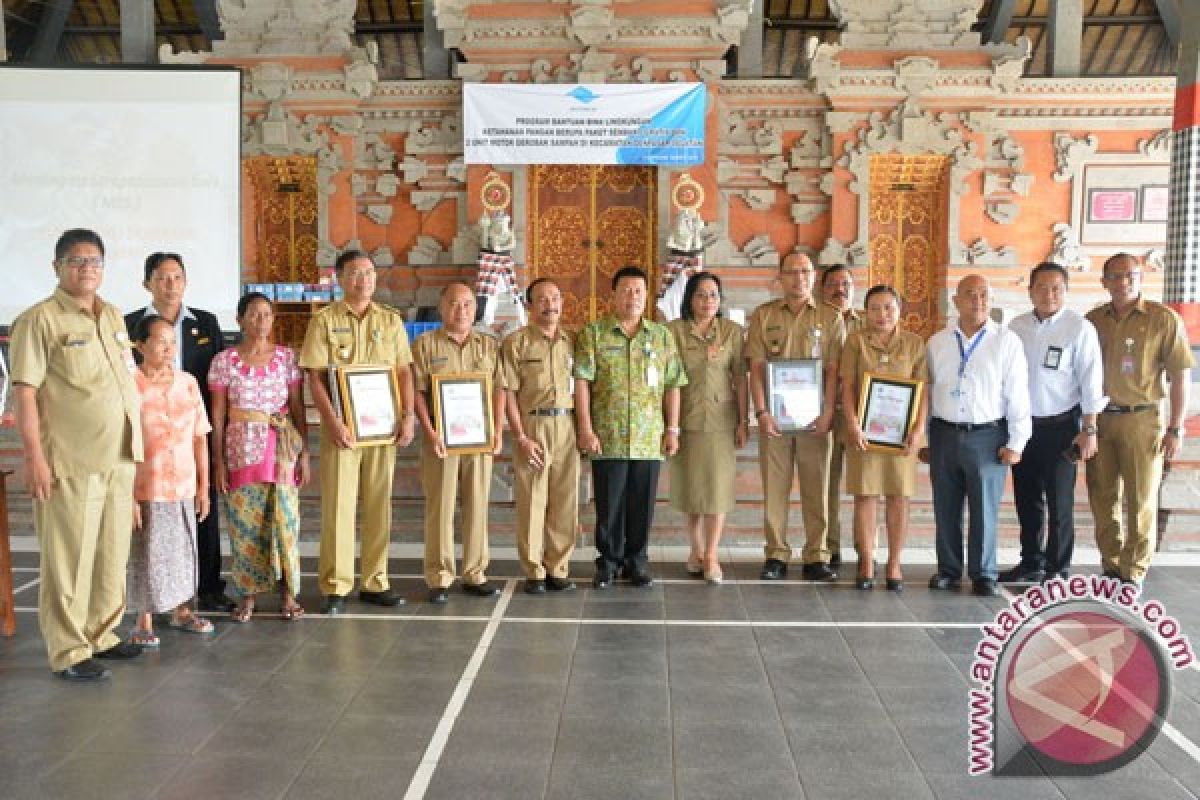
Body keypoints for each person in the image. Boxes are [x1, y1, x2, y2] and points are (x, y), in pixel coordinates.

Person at [10, 228, 144, 681]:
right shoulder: (39, 320)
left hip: (118, 458)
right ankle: (68, 650)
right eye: (76, 261)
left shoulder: (114, 318)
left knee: (110, 555)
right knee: (68, 559)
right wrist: (34, 458)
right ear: (57, 267)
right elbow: (25, 394)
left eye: (94, 261)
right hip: (70, 461)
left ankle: (101, 634)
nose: (87, 268)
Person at [299, 249, 416, 614]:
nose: (362, 280)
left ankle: (375, 581)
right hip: (342, 429)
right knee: (339, 505)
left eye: (368, 273)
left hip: (383, 429)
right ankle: (336, 586)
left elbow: (403, 372)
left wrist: (409, 415)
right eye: (353, 273)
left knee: (380, 505)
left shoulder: (391, 321)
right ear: (339, 278)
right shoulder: (324, 322)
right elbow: (315, 376)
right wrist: (332, 421)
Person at [126, 253, 230, 613]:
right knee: (151, 529)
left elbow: (219, 378)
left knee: (201, 513)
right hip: (148, 433)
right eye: (162, 277)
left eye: (177, 277)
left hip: (192, 429)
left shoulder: (206, 323)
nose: (171, 284)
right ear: (147, 283)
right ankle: (152, 606)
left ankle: (208, 588)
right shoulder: (128, 326)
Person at [575, 265, 686, 589]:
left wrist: (673, 429)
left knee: (642, 504)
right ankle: (608, 563)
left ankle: (637, 561)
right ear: (613, 295)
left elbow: (673, 384)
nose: (632, 297)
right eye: (625, 290)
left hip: (649, 436)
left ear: (647, 296)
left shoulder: (661, 336)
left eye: (638, 291)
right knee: (609, 506)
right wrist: (585, 428)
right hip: (606, 434)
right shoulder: (593, 334)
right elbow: (582, 382)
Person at [1085, 253, 1193, 584]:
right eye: (1115, 276)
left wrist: (1176, 427)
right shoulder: (1092, 321)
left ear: (1141, 277)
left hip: (1142, 420)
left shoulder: (1163, 319)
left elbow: (1180, 376)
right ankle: (1112, 564)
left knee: (1140, 498)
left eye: (1130, 275)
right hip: (1100, 420)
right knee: (1103, 497)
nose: (1123, 282)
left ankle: (1133, 572)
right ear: (1104, 282)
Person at [925, 275, 1030, 597]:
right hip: (944, 434)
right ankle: (949, 570)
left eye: (984, 294)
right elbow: (927, 392)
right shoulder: (937, 342)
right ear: (956, 300)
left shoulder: (1006, 341)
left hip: (988, 436)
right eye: (970, 294)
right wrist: (925, 439)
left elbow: (1018, 394)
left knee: (985, 509)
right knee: (946, 508)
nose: (978, 300)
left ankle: (984, 572)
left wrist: (1017, 442)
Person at [1001, 263, 1106, 584]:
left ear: (1066, 291)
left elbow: (1092, 382)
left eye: (1057, 288)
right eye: (1042, 288)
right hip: (1023, 428)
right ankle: (1030, 560)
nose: (1049, 294)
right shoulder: (1016, 327)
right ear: (1030, 290)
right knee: (1027, 499)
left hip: (1062, 428)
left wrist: (1089, 429)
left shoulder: (1079, 328)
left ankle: (1057, 569)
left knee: (1060, 503)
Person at [210, 293, 310, 622]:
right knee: (245, 527)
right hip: (240, 453)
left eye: (266, 315)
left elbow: (296, 408)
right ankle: (248, 598)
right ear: (239, 320)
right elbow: (219, 415)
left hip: (280, 451)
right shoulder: (224, 361)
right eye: (253, 315)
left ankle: (288, 596)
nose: (261, 321)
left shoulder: (286, 358)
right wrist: (218, 462)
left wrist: (305, 452)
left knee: (284, 525)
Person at [745, 253, 845, 581]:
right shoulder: (764, 316)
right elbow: (756, 369)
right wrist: (761, 412)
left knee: (818, 486)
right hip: (775, 419)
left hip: (816, 421)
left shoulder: (831, 319)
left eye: (804, 272)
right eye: (791, 272)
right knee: (775, 487)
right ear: (780, 277)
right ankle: (776, 553)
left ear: (813, 276)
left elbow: (834, 372)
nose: (798, 278)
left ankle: (817, 554)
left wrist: (829, 412)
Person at [413, 283, 504, 603]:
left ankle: (475, 573)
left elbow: (499, 390)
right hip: (441, 441)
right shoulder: (424, 345)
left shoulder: (489, 346)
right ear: (441, 307)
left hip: (479, 440)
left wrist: (498, 432)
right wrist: (430, 431)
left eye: (467, 303)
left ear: (475, 308)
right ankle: (439, 577)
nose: (461, 309)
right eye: (454, 303)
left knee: (477, 505)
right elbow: (418, 393)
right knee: (441, 507)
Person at [127, 316, 214, 646]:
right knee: (146, 552)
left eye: (171, 342)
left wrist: (203, 486)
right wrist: (129, 496)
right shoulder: (130, 384)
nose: (168, 349)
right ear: (141, 346)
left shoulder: (188, 383)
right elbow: (122, 443)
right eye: (160, 342)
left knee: (182, 550)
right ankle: (143, 617)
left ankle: (181, 610)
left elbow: (199, 438)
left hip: (184, 483)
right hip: (145, 483)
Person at [839, 285, 927, 591]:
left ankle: (894, 562)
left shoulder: (915, 343)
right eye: (874, 308)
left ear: (899, 311)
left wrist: (918, 429)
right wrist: (852, 423)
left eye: (888, 307)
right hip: (864, 434)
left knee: (898, 497)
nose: (882, 314)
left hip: (901, 436)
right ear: (865, 311)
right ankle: (866, 560)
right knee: (865, 495)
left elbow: (923, 390)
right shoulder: (855, 342)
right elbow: (847, 386)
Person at [666, 272, 748, 584]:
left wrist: (743, 419)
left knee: (717, 488)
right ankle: (695, 549)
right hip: (684, 419)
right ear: (689, 299)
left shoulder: (731, 332)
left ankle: (712, 554)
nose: (707, 301)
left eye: (713, 295)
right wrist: (669, 426)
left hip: (720, 421)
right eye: (701, 295)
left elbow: (740, 377)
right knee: (692, 486)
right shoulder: (673, 331)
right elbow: (668, 379)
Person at [499, 278, 580, 594]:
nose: (550, 304)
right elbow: (507, 393)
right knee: (532, 500)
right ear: (530, 305)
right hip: (532, 427)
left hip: (567, 426)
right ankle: (534, 570)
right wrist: (519, 435)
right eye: (543, 299)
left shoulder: (573, 341)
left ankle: (558, 567)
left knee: (565, 499)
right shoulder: (516, 343)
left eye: (556, 297)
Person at [821, 263, 865, 568]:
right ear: (822, 289)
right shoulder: (815, 322)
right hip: (824, 415)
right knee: (826, 483)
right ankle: (830, 547)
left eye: (846, 284)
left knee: (866, 484)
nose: (841, 289)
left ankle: (865, 549)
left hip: (860, 418)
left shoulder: (868, 324)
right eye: (834, 284)